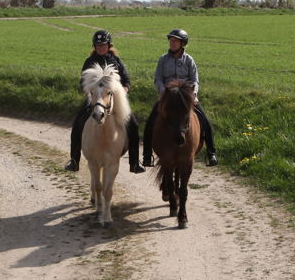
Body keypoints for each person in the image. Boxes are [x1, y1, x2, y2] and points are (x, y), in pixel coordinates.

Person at [64, 30, 145, 173]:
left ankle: (134, 163)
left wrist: (123, 90)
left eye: (103, 45)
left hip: (114, 100)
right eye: (98, 45)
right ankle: (74, 160)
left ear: (109, 45)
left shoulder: (116, 61)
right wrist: (88, 90)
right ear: (94, 46)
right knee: (77, 124)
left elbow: (126, 81)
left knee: (133, 124)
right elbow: (82, 82)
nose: (100, 47)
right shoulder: (89, 62)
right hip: (94, 100)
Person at [142, 29, 218, 167]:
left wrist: (193, 94)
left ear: (182, 43)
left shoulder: (189, 60)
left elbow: (195, 80)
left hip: (185, 97)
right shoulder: (163, 59)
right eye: (171, 41)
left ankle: (211, 153)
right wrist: (163, 92)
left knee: (205, 121)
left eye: (175, 41)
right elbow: (158, 78)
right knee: (150, 122)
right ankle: (147, 155)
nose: (172, 43)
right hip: (167, 97)